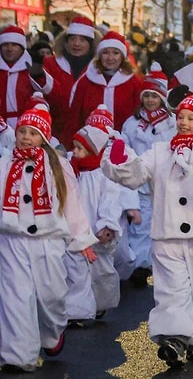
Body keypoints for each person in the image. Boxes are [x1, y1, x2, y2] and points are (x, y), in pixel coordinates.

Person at [0, 104, 97, 373]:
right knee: (15, 297)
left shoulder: (59, 165)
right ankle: (17, 355)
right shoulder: (6, 162)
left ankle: (53, 332)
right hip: (11, 239)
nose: (25, 137)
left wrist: (82, 240)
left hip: (48, 240)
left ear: (43, 137)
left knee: (51, 296)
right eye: (22, 131)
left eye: (32, 132)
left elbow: (73, 205)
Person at [102, 91, 193, 369]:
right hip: (166, 233)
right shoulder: (161, 151)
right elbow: (137, 174)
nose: (184, 122)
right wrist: (120, 160)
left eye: (191, 118)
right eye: (181, 117)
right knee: (171, 290)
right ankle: (174, 338)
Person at [118, 65, 175, 287]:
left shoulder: (172, 123)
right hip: (140, 182)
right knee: (140, 225)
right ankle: (141, 265)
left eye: (155, 96)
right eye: (147, 96)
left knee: (165, 222)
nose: (151, 100)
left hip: (165, 182)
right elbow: (125, 148)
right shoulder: (132, 124)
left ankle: (164, 264)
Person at [65, 124, 123, 328]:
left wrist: (107, 224)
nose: (75, 152)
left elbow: (111, 200)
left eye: (80, 149)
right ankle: (77, 311)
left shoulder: (104, 175)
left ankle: (100, 302)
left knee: (101, 273)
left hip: (97, 233)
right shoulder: (71, 171)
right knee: (76, 273)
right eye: (74, 147)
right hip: (76, 233)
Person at [64, 31, 143, 148]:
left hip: (125, 146)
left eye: (116, 53)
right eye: (105, 53)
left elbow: (139, 117)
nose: (110, 58)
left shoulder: (134, 82)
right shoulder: (86, 81)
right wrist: (69, 146)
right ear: (100, 55)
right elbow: (74, 118)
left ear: (122, 56)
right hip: (88, 147)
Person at [0, 26, 49, 127]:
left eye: (14, 45)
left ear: (22, 48)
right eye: (5, 45)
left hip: (26, 127)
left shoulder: (33, 70)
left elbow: (49, 96)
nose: (9, 49)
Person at [41, 16, 100, 138]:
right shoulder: (50, 64)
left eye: (82, 40)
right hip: (54, 132)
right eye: (73, 39)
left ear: (91, 44)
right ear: (66, 42)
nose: (77, 44)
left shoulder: (98, 68)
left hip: (87, 134)